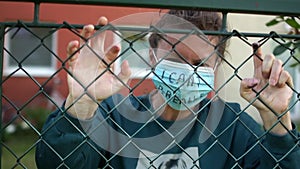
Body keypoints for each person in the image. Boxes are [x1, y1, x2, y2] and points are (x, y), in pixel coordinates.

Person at [35, 9, 300, 169]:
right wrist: (81, 105)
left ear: (216, 65)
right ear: (152, 56)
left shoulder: (231, 127)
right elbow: (54, 164)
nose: (187, 74)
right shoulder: (113, 117)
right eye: (175, 59)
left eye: (199, 63)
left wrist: (277, 121)